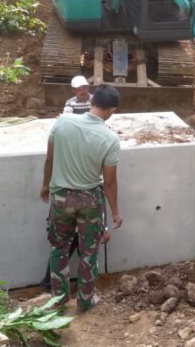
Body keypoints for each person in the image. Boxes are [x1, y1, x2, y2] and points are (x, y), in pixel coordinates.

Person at [40, 84, 123, 312]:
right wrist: (115, 211)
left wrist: (45, 185)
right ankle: (85, 301)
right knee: (89, 251)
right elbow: (109, 181)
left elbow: (49, 159)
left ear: (92, 100)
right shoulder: (110, 138)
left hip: (61, 198)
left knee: (59, 247)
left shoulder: (62, 122)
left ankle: (58, 301)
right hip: (89, 201)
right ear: (112, 109)